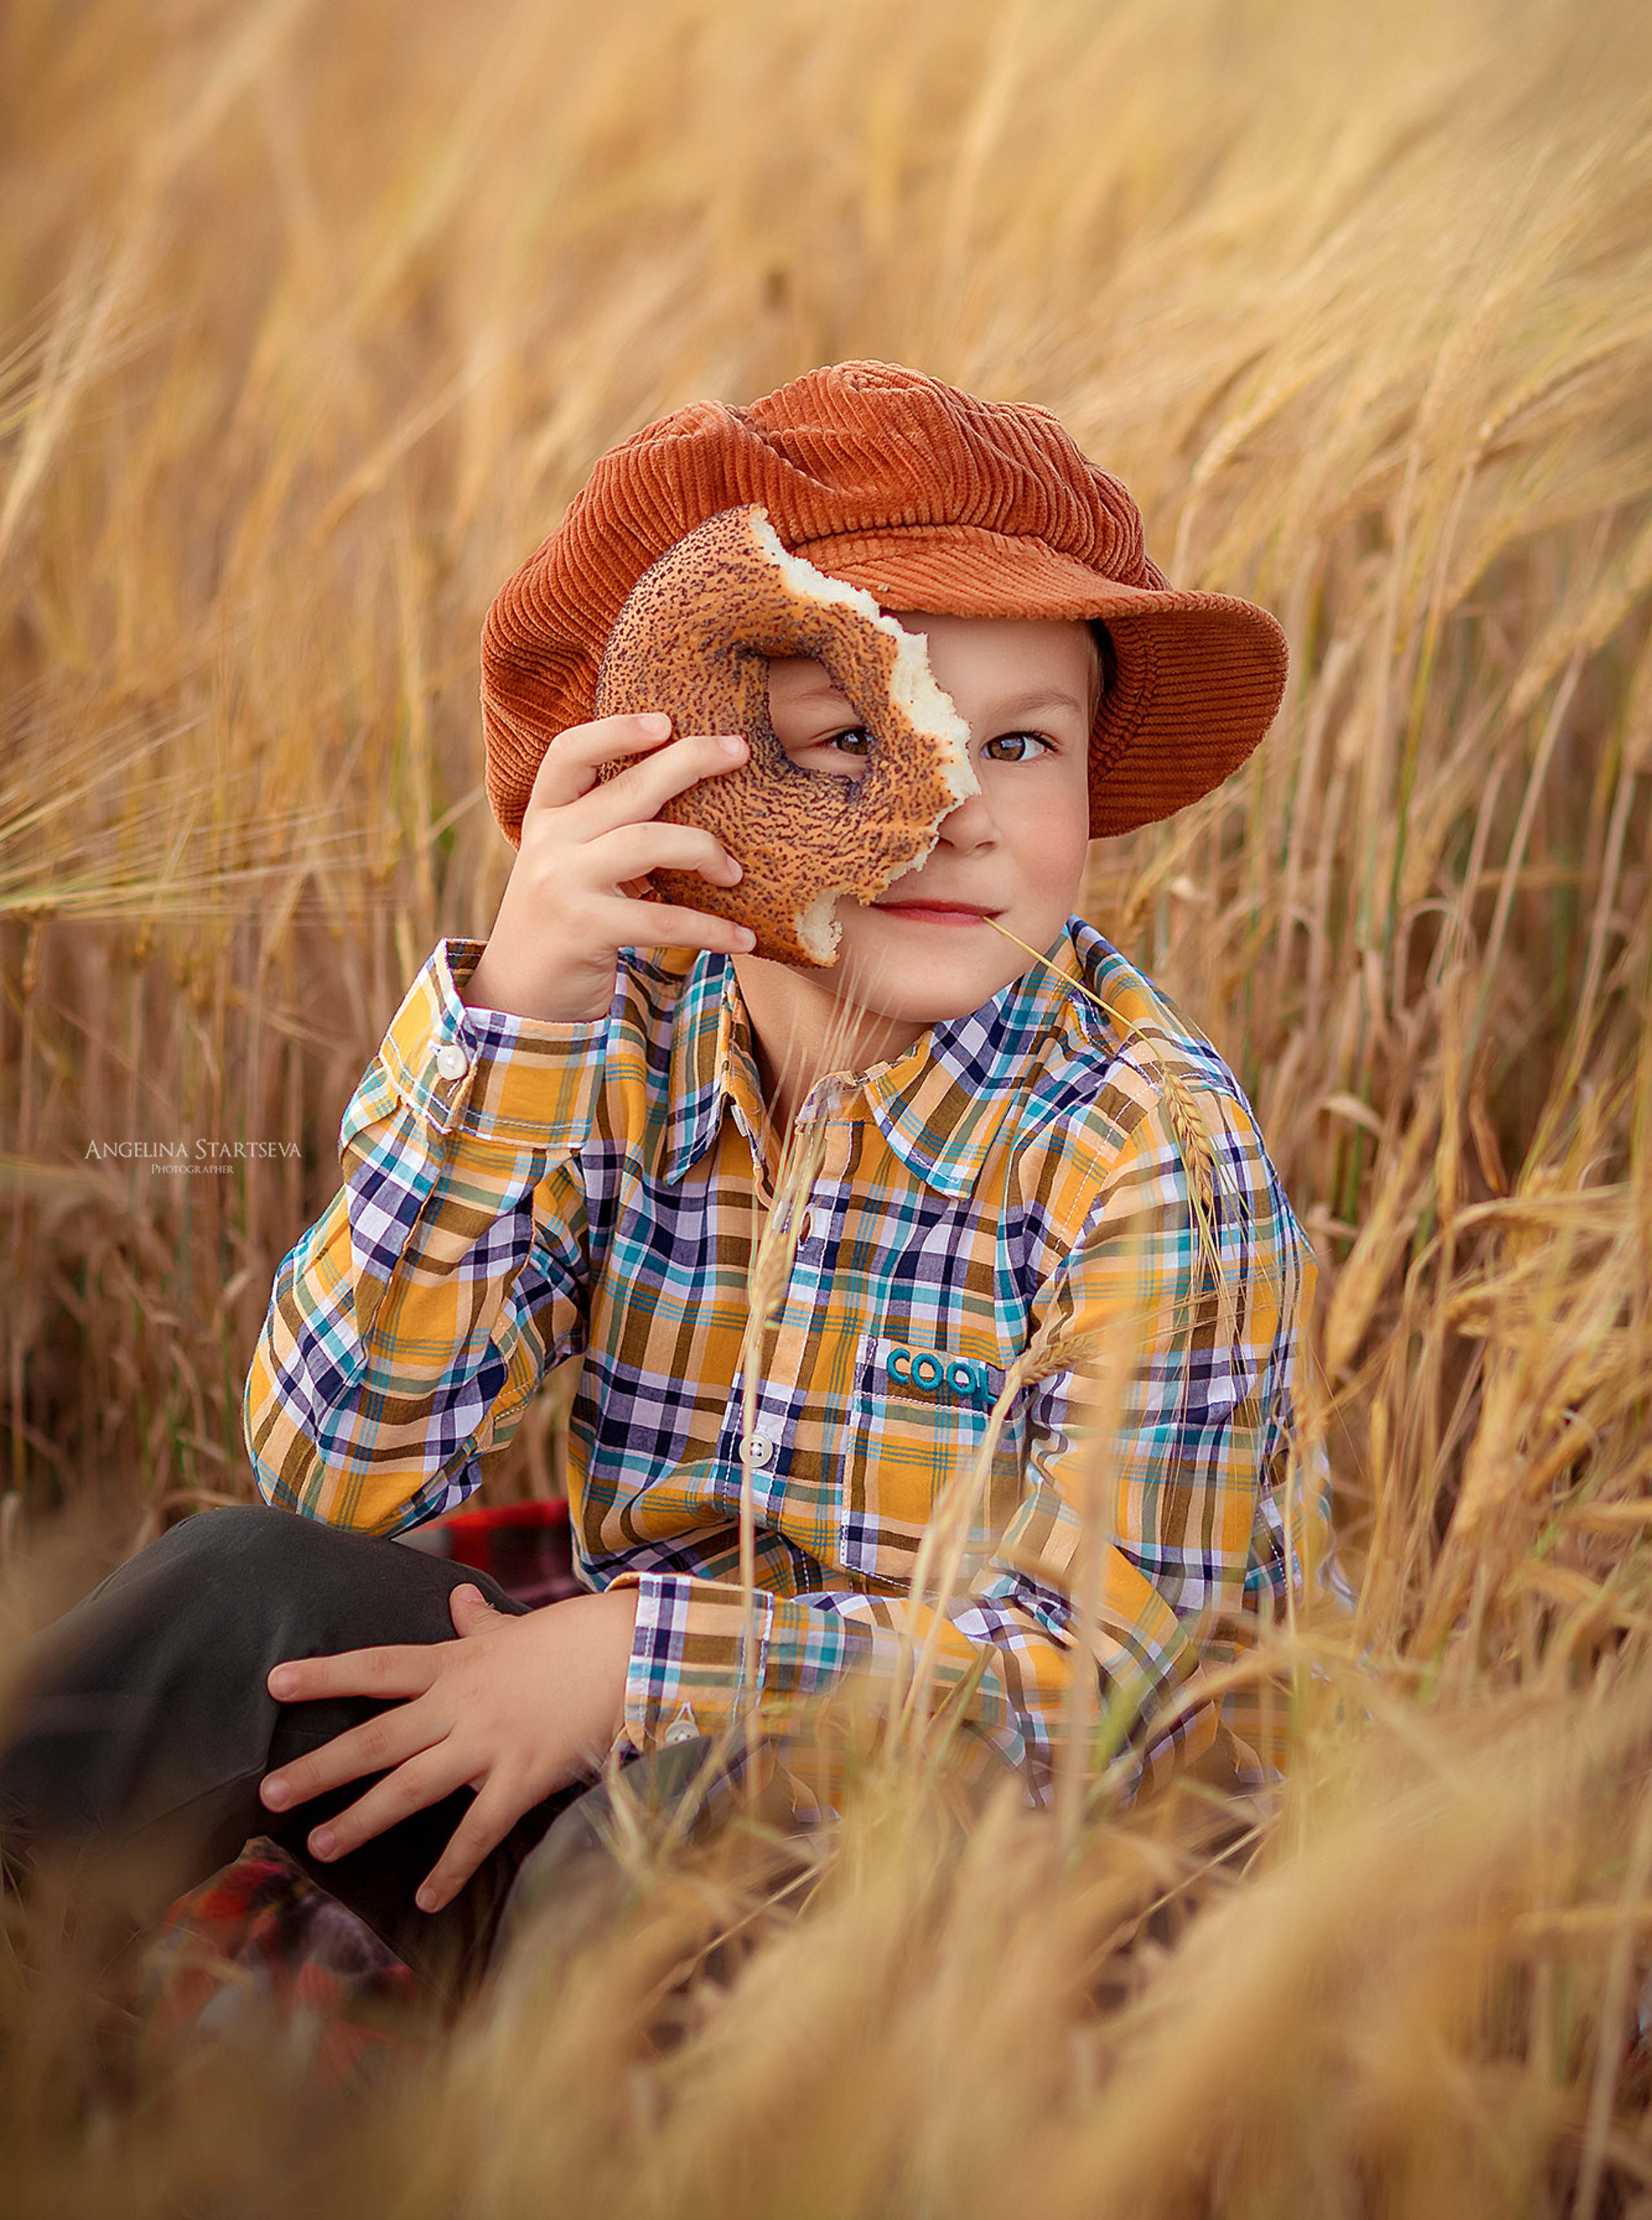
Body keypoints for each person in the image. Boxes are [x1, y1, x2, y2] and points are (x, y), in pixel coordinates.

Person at [0, 360, 1322, 1999]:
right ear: (688, 766)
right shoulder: (620, 1037)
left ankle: (539, 2106)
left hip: (959, 1855)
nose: (954, 812)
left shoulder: (1146, 1147)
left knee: (671, 1854)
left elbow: (1112, 1688)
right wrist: (525, 1006)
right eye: (855, 739)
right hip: (582, 1736)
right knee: (232, 1589)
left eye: (1021, 742)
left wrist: (634, 1662)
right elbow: (333, 1472)